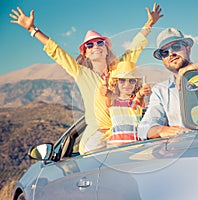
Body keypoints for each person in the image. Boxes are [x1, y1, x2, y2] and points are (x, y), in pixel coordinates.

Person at [9, 4, 163, 154]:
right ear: (86, 53)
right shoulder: (81, 74)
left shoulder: (120, 69)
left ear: (106, 49)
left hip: (125, 134)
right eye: (89, 45)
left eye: (99, 42)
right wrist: (32, 29)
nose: (95, 46)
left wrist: (149, 23)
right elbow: (58, 52)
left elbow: (135, 48)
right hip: (96, 136)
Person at [106, 61, 151, 147]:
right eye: (122, 80)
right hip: (115, 148)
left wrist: (141, 93)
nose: (127, 84)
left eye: (132, 81)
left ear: (136, 84)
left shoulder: (134, 103)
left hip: (136, 146)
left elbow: (138, 98)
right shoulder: (113, 102)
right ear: (116, 83)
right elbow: (108, 95)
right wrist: (105, 88)